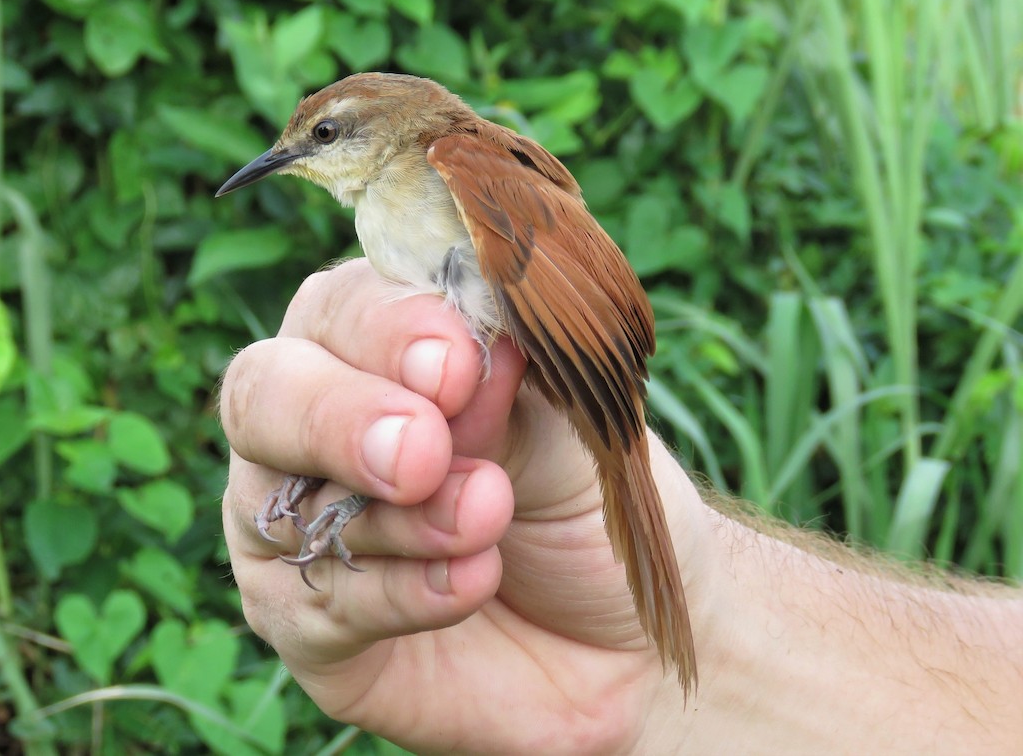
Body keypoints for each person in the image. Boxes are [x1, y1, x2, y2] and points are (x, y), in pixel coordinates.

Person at [219, 260, 1023, 754]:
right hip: (565, 582)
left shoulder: (459, 159)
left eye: (326, 137)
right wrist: (684, 659)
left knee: (449, 391)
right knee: (435, 402)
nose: (295, 158)